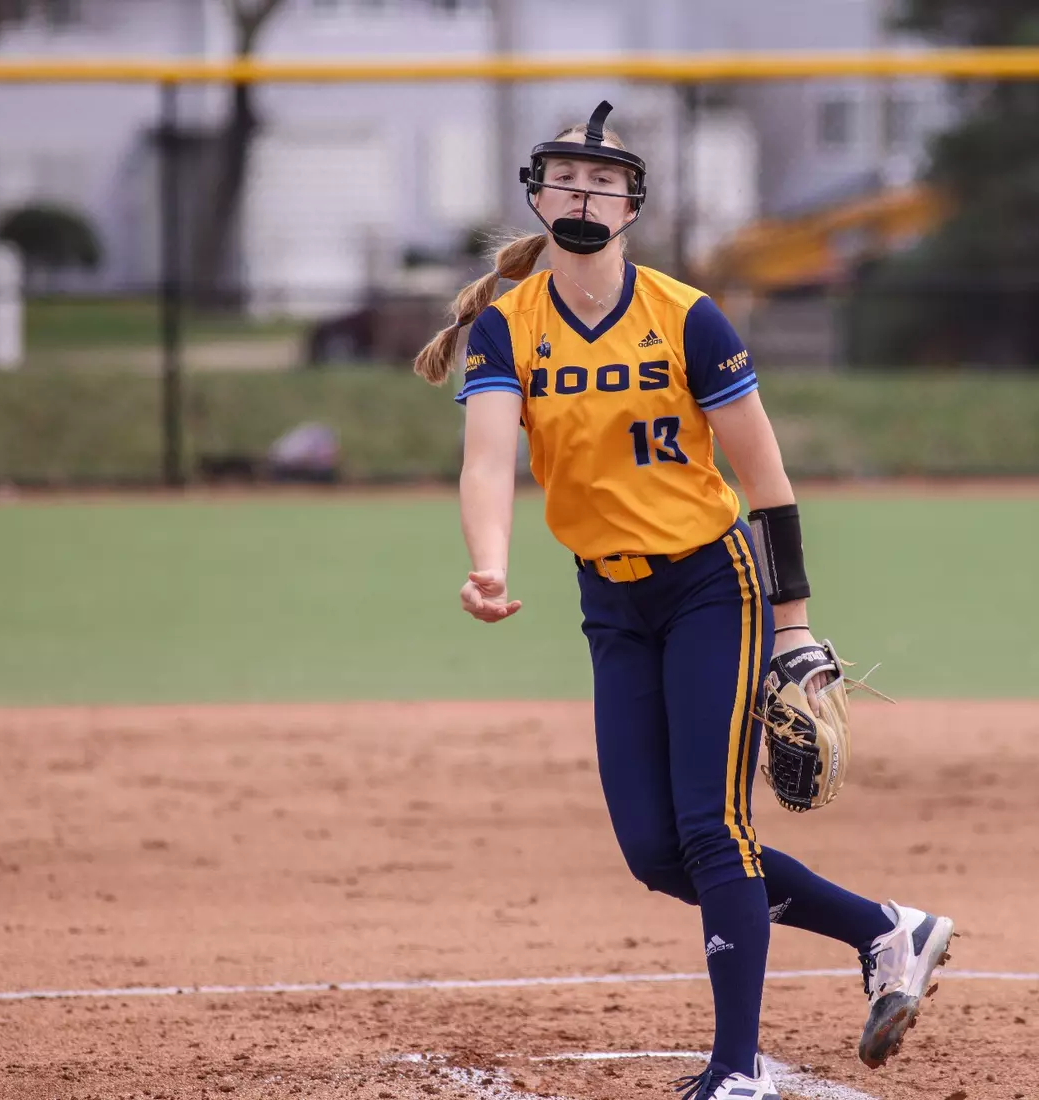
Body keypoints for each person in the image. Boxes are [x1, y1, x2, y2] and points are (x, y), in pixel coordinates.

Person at [415, 101, 955, 1100]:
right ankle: (887, 929)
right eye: (566, 179)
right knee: (656, 851)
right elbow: (487, 459)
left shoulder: (687, 316)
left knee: (713, 829)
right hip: (611, 601)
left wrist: (792, 625)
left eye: (604, 182)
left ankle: (737, 1069)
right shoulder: (508, 327)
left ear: (633, 206)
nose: (584, 196)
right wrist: (488, 563)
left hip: (714, 582)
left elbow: (766, 478)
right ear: (537, 195)